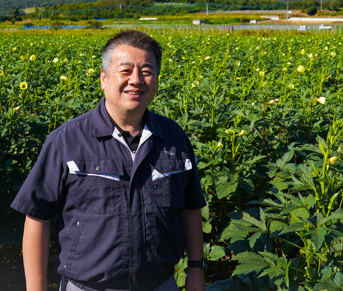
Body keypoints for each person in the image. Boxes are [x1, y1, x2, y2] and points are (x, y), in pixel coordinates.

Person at [11, 30, 207, 291]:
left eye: (146, 71)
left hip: (161, 285)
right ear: (103, 78)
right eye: (125, 71)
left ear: (157, 79)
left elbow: (191, 208)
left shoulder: (173, 137)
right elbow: (37, 216)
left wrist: (196, 269)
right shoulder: (67, 141)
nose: (136, 80)